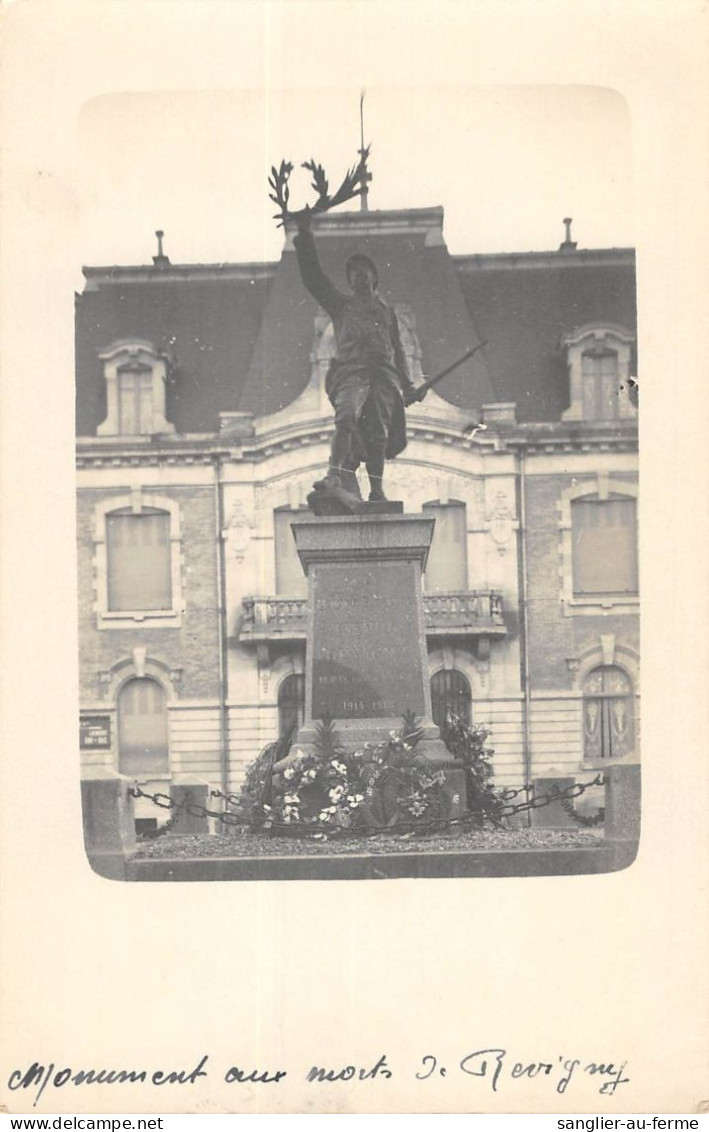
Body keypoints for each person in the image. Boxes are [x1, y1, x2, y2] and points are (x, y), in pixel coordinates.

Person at [293, 208, 424, 502]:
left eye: (364, 273)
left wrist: (408, 386)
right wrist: (304, 236)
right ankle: (333, 473)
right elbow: (314, 279)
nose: (359, 278)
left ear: (373, 279)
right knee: (346, 417)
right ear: (350, 281)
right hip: (352, 375)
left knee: (377, 436)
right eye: (354, 274)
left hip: (382, 378)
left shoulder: (386, 312)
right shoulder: (341, 306)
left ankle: (377, 490)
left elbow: (398, 351)